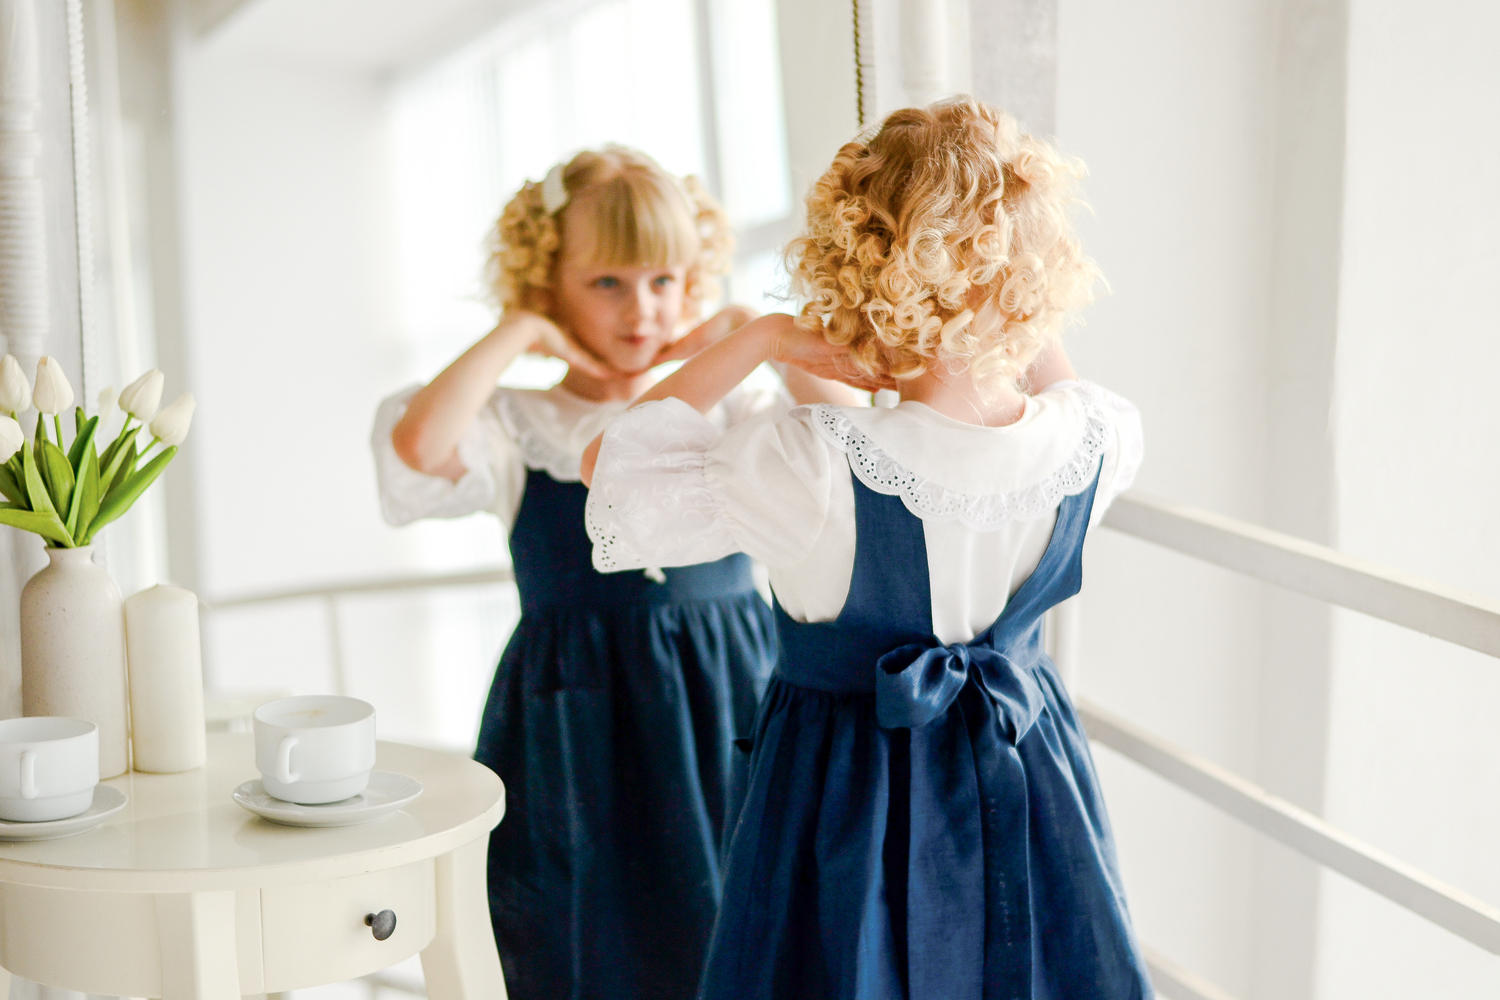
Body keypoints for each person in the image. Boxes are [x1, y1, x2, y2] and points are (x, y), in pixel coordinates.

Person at [581, 100, 1153, 999]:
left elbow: (611, 467)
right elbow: (1053, 377)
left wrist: (763, 336)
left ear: (853, 266)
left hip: (849, 790)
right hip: (1028, 766)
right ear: (1037, 267)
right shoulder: (1094, 437)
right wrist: (1009, 279)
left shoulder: (810, 464)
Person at [372, 146, 857, 1000]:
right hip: (576, 718)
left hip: (733, 692)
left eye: (664, 280)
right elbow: (419, 446)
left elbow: (854, 439)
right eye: (607, 282)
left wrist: (751, 333)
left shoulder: (727, 404)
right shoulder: (521, 423)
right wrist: (520, 329)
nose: (642, 309)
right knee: (581, 928)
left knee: (745, 914)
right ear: (549, 282)